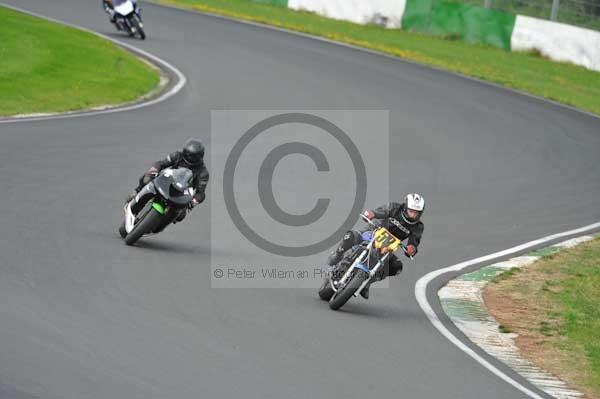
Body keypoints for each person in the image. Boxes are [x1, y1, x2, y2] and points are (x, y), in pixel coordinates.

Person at [326, 193, 425, 299]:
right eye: (411, 211)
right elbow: (381, 211)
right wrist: (372, 213)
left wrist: (411, 249)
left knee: (396, 267)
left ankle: (368, 281)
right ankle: (338, 255)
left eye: (416, 213)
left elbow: (414, 241)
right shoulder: (395, 208)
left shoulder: (418, 226)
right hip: (373, 231)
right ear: (405, 208)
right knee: (350, 236)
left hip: (387, 248)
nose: (413, 215)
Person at [126, 139, 209, 223]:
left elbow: (200, 193)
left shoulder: (203, 173)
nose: (189, 158)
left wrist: (194, 201)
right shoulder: (177, 155)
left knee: (180, 215)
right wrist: (154, 169)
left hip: (181, 193)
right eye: (187, 155)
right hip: (167, 181)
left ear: (200, 157)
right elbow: (161, 164)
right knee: (147, 177)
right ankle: (137, 191)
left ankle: (156, 223)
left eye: (193, 156)